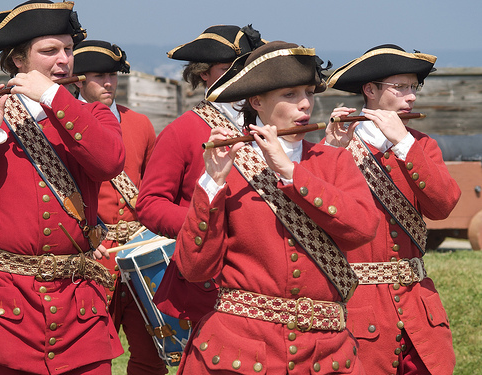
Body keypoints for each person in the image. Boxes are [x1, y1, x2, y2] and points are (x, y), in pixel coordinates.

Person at [172, 40, 381, 374]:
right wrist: (211, 183)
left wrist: (290, 172)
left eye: (309, 93)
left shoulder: (335, 161)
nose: (305, 105)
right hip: (236, 350)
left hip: (325, 354)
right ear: (257, 101)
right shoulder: (229, 165)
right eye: (290, 95)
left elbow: (363, 228)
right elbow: (195, 269)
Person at [0, 1, 126, 374]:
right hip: (1, 308)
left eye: (68, 49)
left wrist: (52, 96)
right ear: (17, 61)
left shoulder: (92, 114)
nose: (64, 60)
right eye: (49, 51)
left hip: (79, 312)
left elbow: (108, 162)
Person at [325, 44, 461, 375]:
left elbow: (443, 206)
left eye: (413, 87)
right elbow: (316, 218)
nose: (411, 96)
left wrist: (404, 144)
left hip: (419, 309)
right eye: (400, 87)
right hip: (361, 310)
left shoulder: (421, 145)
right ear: (370, 91)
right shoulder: (337, 147)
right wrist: (330, 151)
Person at [135, 25, 265, 323]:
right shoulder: (181, 131)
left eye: (246, 66)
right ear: (204, 72)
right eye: (227, 68)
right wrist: (205, 225)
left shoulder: (269, 126)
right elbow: (150, 204)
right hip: (208, 276)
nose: (239, 75)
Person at [72, 40, 167, 375]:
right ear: (78, 79)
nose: (109, 82)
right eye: (100, 75)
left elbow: (155, 189)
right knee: (91, 353)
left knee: (152, 351)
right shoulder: (64, 125)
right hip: (92, 252)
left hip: (141, 250)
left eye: (113, 74)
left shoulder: (140, 124)